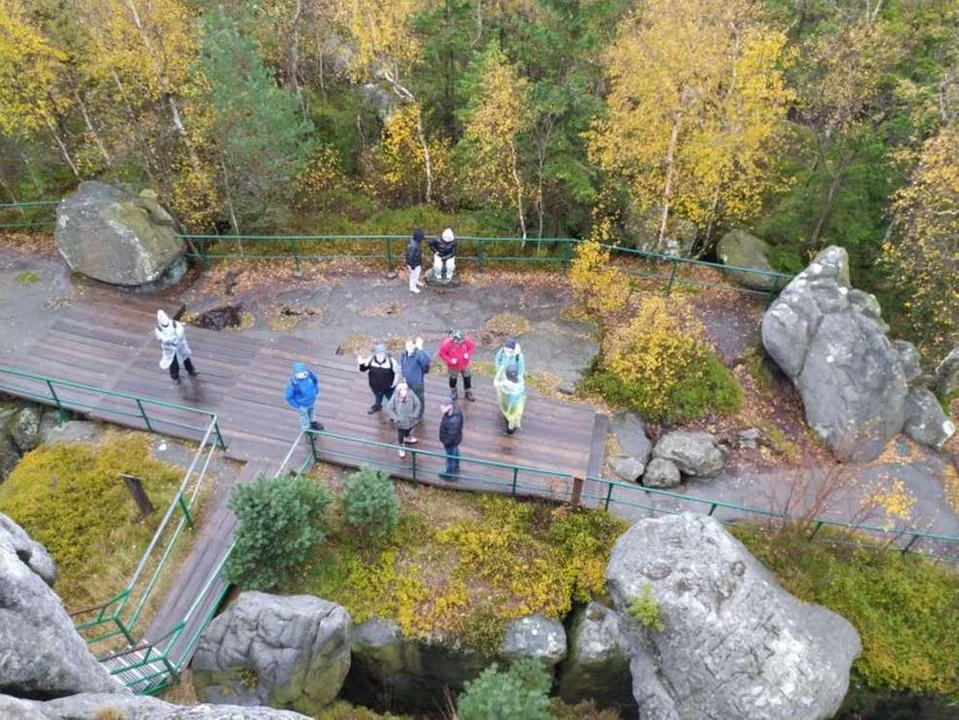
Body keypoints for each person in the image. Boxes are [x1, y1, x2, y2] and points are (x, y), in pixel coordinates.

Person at [155, 310, 197, 385]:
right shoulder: (158, 329)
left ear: (166, 316)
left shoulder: (174, 323)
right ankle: (175, 377)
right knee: (173, 362)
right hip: (169, 349)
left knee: (186, 358)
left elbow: (180, 331)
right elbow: (163, 338)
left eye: (163, 317)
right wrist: (170, 339)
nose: (163, 319)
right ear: (159, 321)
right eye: (160, 318)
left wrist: (176, 338)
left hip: (180, 344)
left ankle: (191, 371)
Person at [358, 343, 399, 414]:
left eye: (382, 354)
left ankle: (393, 410)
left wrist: (394, 384)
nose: (380, 356)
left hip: (389, 387)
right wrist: (361, 363)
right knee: (378, 397)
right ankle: (378, 406)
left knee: (391, 399)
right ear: (375, 354)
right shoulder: (370, 360)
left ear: (385, 354)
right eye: (378, 354)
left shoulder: (392, 362)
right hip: (375, 386)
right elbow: (363, 369)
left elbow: (397, 373)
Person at [385, 383, 422, 458]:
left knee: (409, 428)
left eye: (405, 389)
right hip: (400, 421)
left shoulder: (411, 395)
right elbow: (389, 408)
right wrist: (396, 418)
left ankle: (407, 437)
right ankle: (401, 446)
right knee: (400, 434)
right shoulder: (395, 397)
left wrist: (415, 414)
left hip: (410, 418)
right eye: (401, 390)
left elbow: (418, 404)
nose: (403, 392)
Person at [285, 362, 324, 431]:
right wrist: (297, 405)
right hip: (302, 406)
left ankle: (313, 423)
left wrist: (316, 391)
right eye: (299, 373)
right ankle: (307, 430)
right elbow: (288, 396)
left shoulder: (310, 376)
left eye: (303, 372)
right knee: (304, 418)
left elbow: (315, 381)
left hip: (312, 401)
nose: (302, 375)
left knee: (312, 412)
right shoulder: (293, 384)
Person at [438, 329, 476, 401]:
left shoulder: (466, 340)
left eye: (460, 342)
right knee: (453, 379)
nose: (459, 344)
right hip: (453, 366)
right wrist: (450, 360)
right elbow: (442, 354)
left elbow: (472, 347)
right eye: (457, 343)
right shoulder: (446, 344)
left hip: (465, 364)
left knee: (467, 377)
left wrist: (467, 354)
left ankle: (468, 391)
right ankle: (453, 391)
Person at [399, 336, 430, 422]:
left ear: (414, 345)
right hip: (407, 382)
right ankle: (412, 410)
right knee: (410, 397)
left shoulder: (418, 354)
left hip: (417, 383)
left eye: (410, 346)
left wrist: (420, 349)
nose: (408, 348)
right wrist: (404, 376)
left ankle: (419, 415)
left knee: (419, 399)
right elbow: (403, 366)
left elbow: (426, 361)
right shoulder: (403, 354)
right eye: (407, 346)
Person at [494, 365, 526, 435]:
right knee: (514, 417)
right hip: (518, 404)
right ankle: (511, 427)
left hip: (509, 403)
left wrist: (499, 371)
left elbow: (496, 383)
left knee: (509, 417)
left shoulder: (506, 384)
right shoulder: (520, 382)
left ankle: (509, 431)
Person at [438, 396, 463, 481]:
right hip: (455, 440)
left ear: (450, 406)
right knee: (455, 452)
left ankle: (449, 475)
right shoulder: (455, 413)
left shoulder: (453, 420)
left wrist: (445, 442)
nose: (441, 407)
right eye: (441, 405)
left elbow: (451, 435)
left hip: (450, 442)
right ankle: (456, 466)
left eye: (444, 406)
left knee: (450, 458)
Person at [406, 229, 426, 294]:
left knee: (417, 273)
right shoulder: (414, 246)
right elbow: (410, 256)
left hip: (416, 262)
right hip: (414, 263)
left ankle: (416, 281)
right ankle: (412, 287)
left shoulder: (414, 242)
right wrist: (412, 266)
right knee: (413, 275)